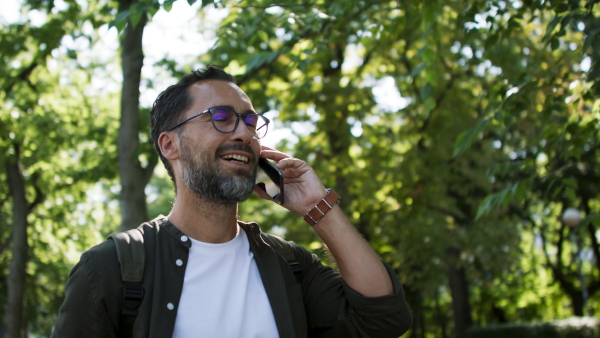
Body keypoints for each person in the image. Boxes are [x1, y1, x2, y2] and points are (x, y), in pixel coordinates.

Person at [52, 65, 412, 337]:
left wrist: (319, 207)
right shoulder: (108, 270)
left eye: (250, 121)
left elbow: (384, 319)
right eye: (221, 117)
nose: (244, 132)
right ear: (169, 145)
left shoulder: (289, 266)